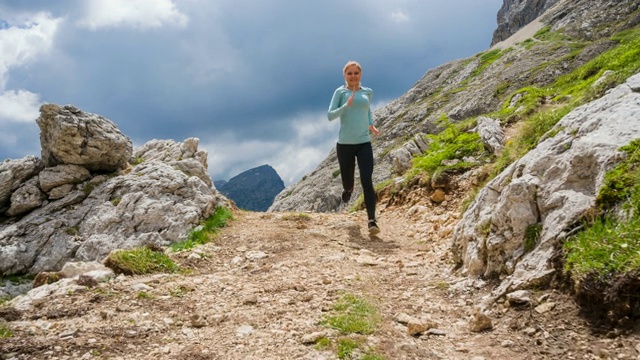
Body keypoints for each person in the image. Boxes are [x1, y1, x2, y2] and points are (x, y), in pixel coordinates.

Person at [327, 60, 381, 235]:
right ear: (344, 75)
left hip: (364, 142)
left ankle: (372, 221)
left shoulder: (367, 92)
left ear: (360, 75)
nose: (353, 76)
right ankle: (348, 189)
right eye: (349, 73)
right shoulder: (340, 92)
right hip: (345, 145)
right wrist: (345, 106)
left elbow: (366, 110)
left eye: (356, 73)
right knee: (348, 181)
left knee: (367, 180)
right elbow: (330, 115)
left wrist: (370, 124)